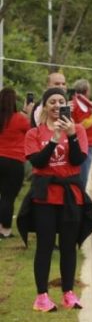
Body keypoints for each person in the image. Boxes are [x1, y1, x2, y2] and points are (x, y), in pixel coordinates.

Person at [24, 88, 89, 312]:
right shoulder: (34, 133)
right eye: (52, 102)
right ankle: (41, 296)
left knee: (69, 246)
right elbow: (38, 163)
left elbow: (78, 159)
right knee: (44, 245)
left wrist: (70, 134)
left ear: (67, 106)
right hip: (44, 197)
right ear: (45, 106)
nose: (56, 105)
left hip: (70, 195)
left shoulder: (78, 129)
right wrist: (53, 139)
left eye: (61, 101)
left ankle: (68, 293)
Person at [0, 88, 30, 238]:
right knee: (8, 197)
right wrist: (27, 112)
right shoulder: (20, 119)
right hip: (14, 161)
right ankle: (5, 230)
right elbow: (30, 131)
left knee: (2, 197)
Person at [69, 79, 92, 189]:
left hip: (88, 143)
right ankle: (79, 199)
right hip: (83, 144)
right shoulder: (76, 104)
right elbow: (80, 125)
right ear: (86, 91)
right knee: (82, 176)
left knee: (83, 175)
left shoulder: (83, 103)